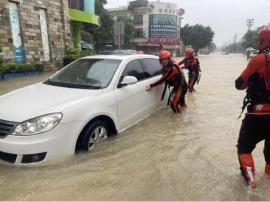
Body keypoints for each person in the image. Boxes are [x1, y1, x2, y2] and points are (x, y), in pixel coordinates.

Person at [235, 25, 270, 188]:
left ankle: (251, 183)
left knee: (244, 148)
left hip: (258, 115)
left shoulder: (259, 59)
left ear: (263, 40)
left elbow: (240, 84)